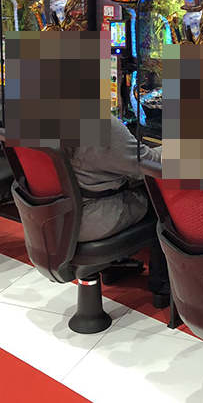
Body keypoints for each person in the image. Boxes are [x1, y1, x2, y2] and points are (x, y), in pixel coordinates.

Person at [63, 115, 170, 307]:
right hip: (90, 216)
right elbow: (152, 164)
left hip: (59, 214)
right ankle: (162, 285)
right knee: (160, 201)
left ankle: (113, 266)